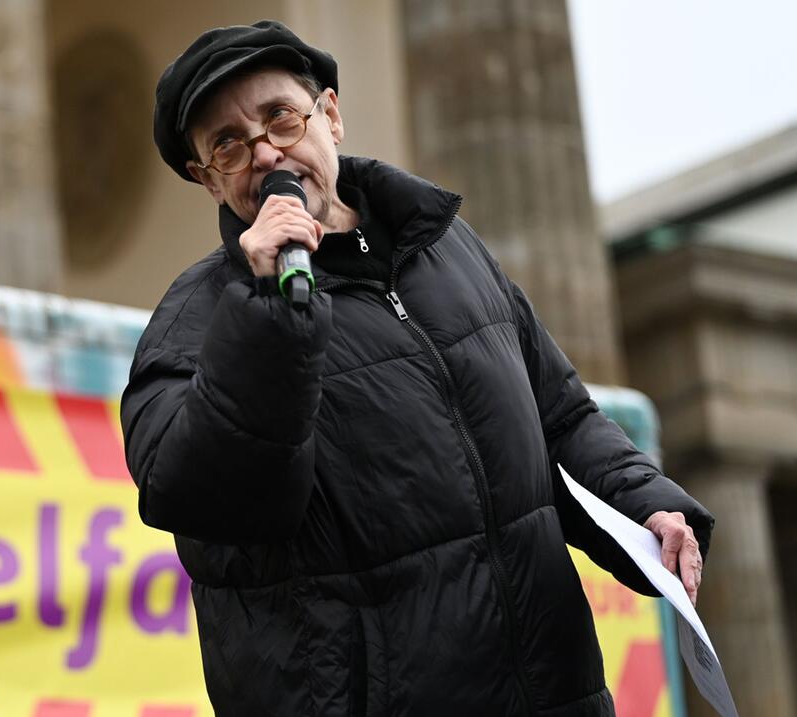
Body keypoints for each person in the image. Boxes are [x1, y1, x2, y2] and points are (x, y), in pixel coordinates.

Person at [122, 20, 713, 716]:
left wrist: (645, 504)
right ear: (207, 180)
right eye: (227, 144)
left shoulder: (449, 250)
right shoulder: (196, 320)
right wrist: (268, 314)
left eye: (280, 119)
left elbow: (559, 417)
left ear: (330, 116)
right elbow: (199, 494)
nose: (262, 153)